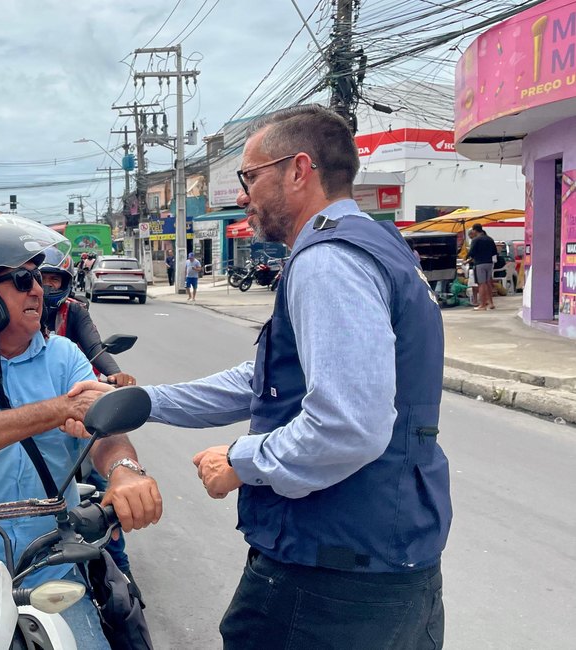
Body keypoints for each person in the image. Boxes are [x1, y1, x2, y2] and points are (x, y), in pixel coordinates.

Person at [67, 105, 449, 649]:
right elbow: (267, 379)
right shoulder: (381, 246)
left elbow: (349, 425)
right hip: (391, 554)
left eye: (250, 176)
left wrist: (243, 462)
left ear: (298, 170)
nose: (243, 195)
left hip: (332, 575)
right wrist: (145, 400)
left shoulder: (328, 260)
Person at [0, 215, 162, 649]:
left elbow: (105, 431)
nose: (39, 289)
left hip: (50, 572)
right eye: (22, 279)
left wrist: (124, 470)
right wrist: (60, 408)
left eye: (39, 277)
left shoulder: (64, 356)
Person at [38, 245, 139, 582]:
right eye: (42, 280)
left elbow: (95, 349)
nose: (47, 288)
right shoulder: (14, 325)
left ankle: (120, 568)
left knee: (102, 483)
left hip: (80, 403)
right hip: (43, 411)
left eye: (55, 281)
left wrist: (117, 376)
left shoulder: (73, 314)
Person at [468, 223, 498, 311]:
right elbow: (494, 252)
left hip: (479, 263)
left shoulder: (476, 240)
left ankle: (482, 305)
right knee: (488, 283)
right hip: (489, 263)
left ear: (474, 230)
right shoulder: (490, 239)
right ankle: (491, 303)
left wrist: (467, 258)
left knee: (481, 284)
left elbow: (471, 252)